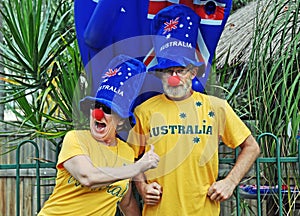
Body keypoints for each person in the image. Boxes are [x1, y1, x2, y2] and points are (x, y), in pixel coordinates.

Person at [127, 5, 261, 216]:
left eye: (180, 70)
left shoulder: (217, 108)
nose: (174, 77)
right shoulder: (145, 111)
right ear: (160, 74)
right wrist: (143, 187)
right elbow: (131, 158)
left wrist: (230, 182)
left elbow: (251, 147)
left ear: (192, 72)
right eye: (168, 70)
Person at [38, 55, 160, 216]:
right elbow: (87, 177)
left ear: (121, 122)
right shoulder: (76, 139)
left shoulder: (127, 153)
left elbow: (127, 202)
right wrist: (137, 167)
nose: (98, 114)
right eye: (96, 106)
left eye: (107, 110)